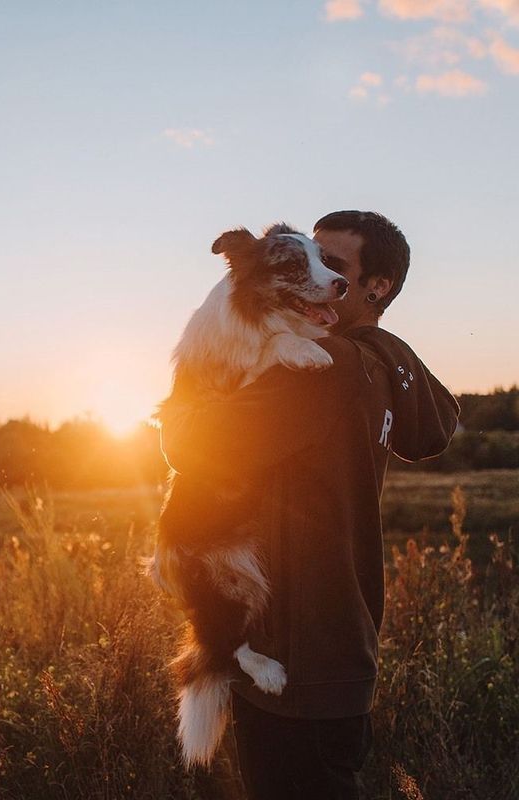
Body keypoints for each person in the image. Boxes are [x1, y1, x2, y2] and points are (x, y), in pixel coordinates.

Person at [159, 211, 460, 799]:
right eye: (313, 260)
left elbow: (188, 447)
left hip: (289, 646)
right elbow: (441, 420)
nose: (321, 275)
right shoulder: (379, 362)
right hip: (342, 638)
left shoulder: (314, 372)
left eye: (336, 266)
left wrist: (186, 388)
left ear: (377, 287)